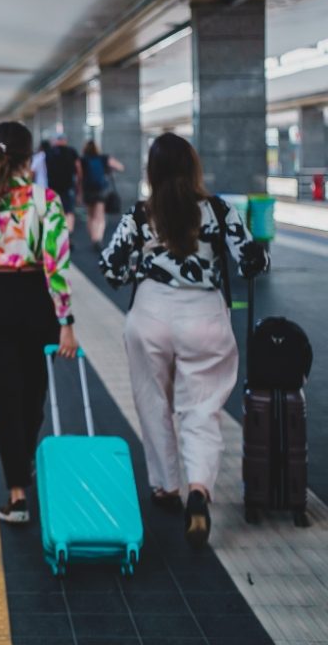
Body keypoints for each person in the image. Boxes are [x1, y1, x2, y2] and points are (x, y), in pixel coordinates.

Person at [99, 133, 269, 549]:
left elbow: (113, 271)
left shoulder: (141, 214)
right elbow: (253, 261)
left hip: (151, 316)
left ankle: (166, 486)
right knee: (202, 408)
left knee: (153, 401)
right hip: (205, 316)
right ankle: (199, 489)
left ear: (151, 172)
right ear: (194, 168)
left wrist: (146, 257)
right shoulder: (218, 210)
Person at [0, 121, 78, 525]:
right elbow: (56, 265)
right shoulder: (46, 200)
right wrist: (66, 321)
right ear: (30, 159)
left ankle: (16, 495)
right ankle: (23, 460)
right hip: (36, 301)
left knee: (4, 399)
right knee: (32, 396)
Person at [80, 140, 125, 248]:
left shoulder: (83, 160)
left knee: (90, 215)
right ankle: (98, 238)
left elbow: (80, 177)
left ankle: (93, 237)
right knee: (99, 217)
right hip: (100, 190)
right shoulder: (103, 158)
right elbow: (120, 167)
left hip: (88, 190)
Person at [45, 133, 83, 231]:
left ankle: (56, 232)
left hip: (52, 186)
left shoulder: (49, 152)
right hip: (68, 186)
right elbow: (78, 169)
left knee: (54, 211)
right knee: (69, 211)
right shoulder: (71, 151)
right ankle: (68, 234)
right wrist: (79, 185)